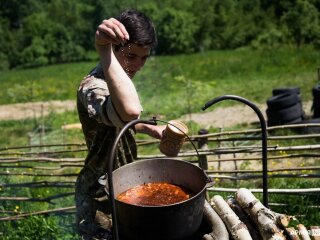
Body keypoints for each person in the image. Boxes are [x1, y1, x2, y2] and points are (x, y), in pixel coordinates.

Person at [75, 9, 166, 240]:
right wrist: (103, 49)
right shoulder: (93, 87)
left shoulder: (119, 80)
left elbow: (119, 122)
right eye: (131, 56)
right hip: (100, 199)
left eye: (144, 58)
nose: (137, 66)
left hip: (124, 186)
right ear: (114, 47)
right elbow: (129, 111)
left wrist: (149, 128)